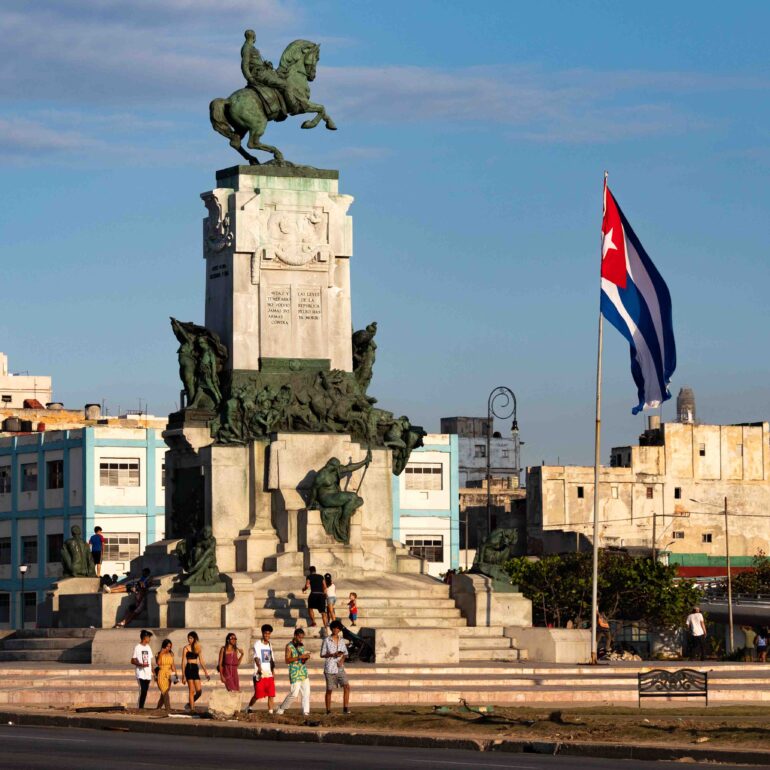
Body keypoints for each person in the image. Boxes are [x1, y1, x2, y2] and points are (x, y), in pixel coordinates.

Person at [276, 628, 311, 716]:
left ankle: (305, 711)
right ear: (295, 636)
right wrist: (299, 657)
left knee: (306, 692)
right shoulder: (289, 646)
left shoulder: (301, 645)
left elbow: (302, 660)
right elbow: (287, 660)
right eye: (299, 637)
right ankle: (281, 708)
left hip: (303, 671)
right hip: (294, 672)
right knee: (294, 693)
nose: (301, 639)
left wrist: (305, 658)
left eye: (302, 638)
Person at [321, 620, 351, 714]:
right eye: (334, 628)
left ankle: (345, 708)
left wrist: (342, 660)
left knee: (346, 686)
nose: (336, 630)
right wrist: (332, 654)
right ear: (332, 628)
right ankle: (328, 710)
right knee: (329, 690)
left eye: (338, 628)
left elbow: (345, 653)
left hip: (340, 667)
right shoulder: (326, 640)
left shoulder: (341, 640)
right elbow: (322, 654)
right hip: (330, 668)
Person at [247, 624, 276, 714]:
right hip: (260, 673)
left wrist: (273, 671)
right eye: (265, 633)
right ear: (262, 633)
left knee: (271, 694)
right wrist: (259, 668)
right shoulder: (258, 644)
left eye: (268, 633)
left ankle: (270, 712)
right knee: (258, 694)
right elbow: (256, 657)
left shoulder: (270, 645)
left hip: (269, 674)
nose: (267, 635)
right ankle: (249, 707)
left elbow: (271, 659)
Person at [181, 631, 210, 711]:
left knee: (199, 691)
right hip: (189, 668)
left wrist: (206, 672)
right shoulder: (186, 648)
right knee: (191, 690)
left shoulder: (198, 647)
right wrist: (183, 675)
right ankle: (192, 709)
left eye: (191, 638)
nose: (189, 640)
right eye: (188, 638)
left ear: (194, 639)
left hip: (195, 668)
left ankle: (190, 704)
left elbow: (201, 661)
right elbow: (183, 661)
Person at [131, 629, 154, 709]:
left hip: (148, 673)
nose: (150, 639)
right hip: (140, 673)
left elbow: (150, 661)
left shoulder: (148, 647)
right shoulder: (137, 647)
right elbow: (132, 660)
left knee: (145, 691)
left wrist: (153, 671)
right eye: (149, 637)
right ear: (145, 638)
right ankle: (140, 707)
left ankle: (142, 706)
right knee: (142, 690)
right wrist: (140, 664)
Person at [155, 638, 178, 711]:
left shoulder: (171, 654)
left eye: (170, 646)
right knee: (164, 691)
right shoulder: (158, 654)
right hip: (161, 673)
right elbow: (158, 663)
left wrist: (175, 676)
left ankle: (158, 707)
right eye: (167, 646)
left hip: (169, 673)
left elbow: (173, 665)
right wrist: (161, 653)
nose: (169, 648)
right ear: (164, 646)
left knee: (165, 692)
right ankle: (168, 708)